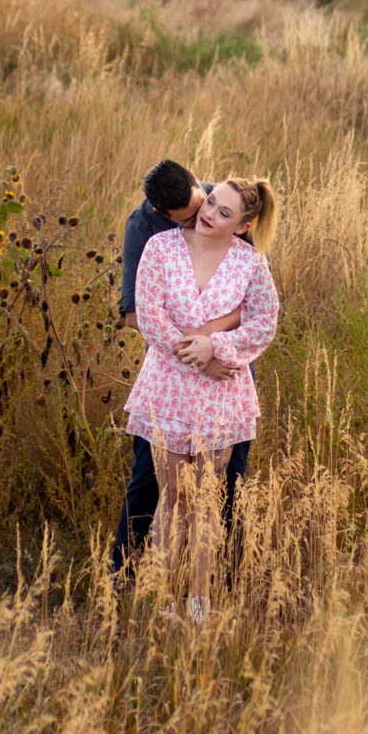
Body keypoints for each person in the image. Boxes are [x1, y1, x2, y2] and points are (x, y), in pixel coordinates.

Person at [124, 178, 279, 620]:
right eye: (211, 202)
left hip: (220, 394)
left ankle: (199, 602)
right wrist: (197, 355)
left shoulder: (250, 264)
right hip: (168, 389)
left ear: (244, 226)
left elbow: (264, 322)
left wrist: (219, 350)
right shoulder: (160, 247)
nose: (210, 214)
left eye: (224, 213)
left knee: (207, 499)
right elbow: (150, 316)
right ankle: (165, 599)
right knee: (172, 497)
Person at [113, 160, 248, 574]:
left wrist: (209, 345)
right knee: (149, 480)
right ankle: (127, 579)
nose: (202, 218)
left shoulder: (223, 202)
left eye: (202, 203)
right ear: (162, 213)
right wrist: (192, 352)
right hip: (170, 372)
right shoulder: (143, 230)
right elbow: (136, 315)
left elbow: (249, 300)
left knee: (229, 480)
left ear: (197, 182)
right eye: (188, 217)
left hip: (225, 361)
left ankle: (223, 582)